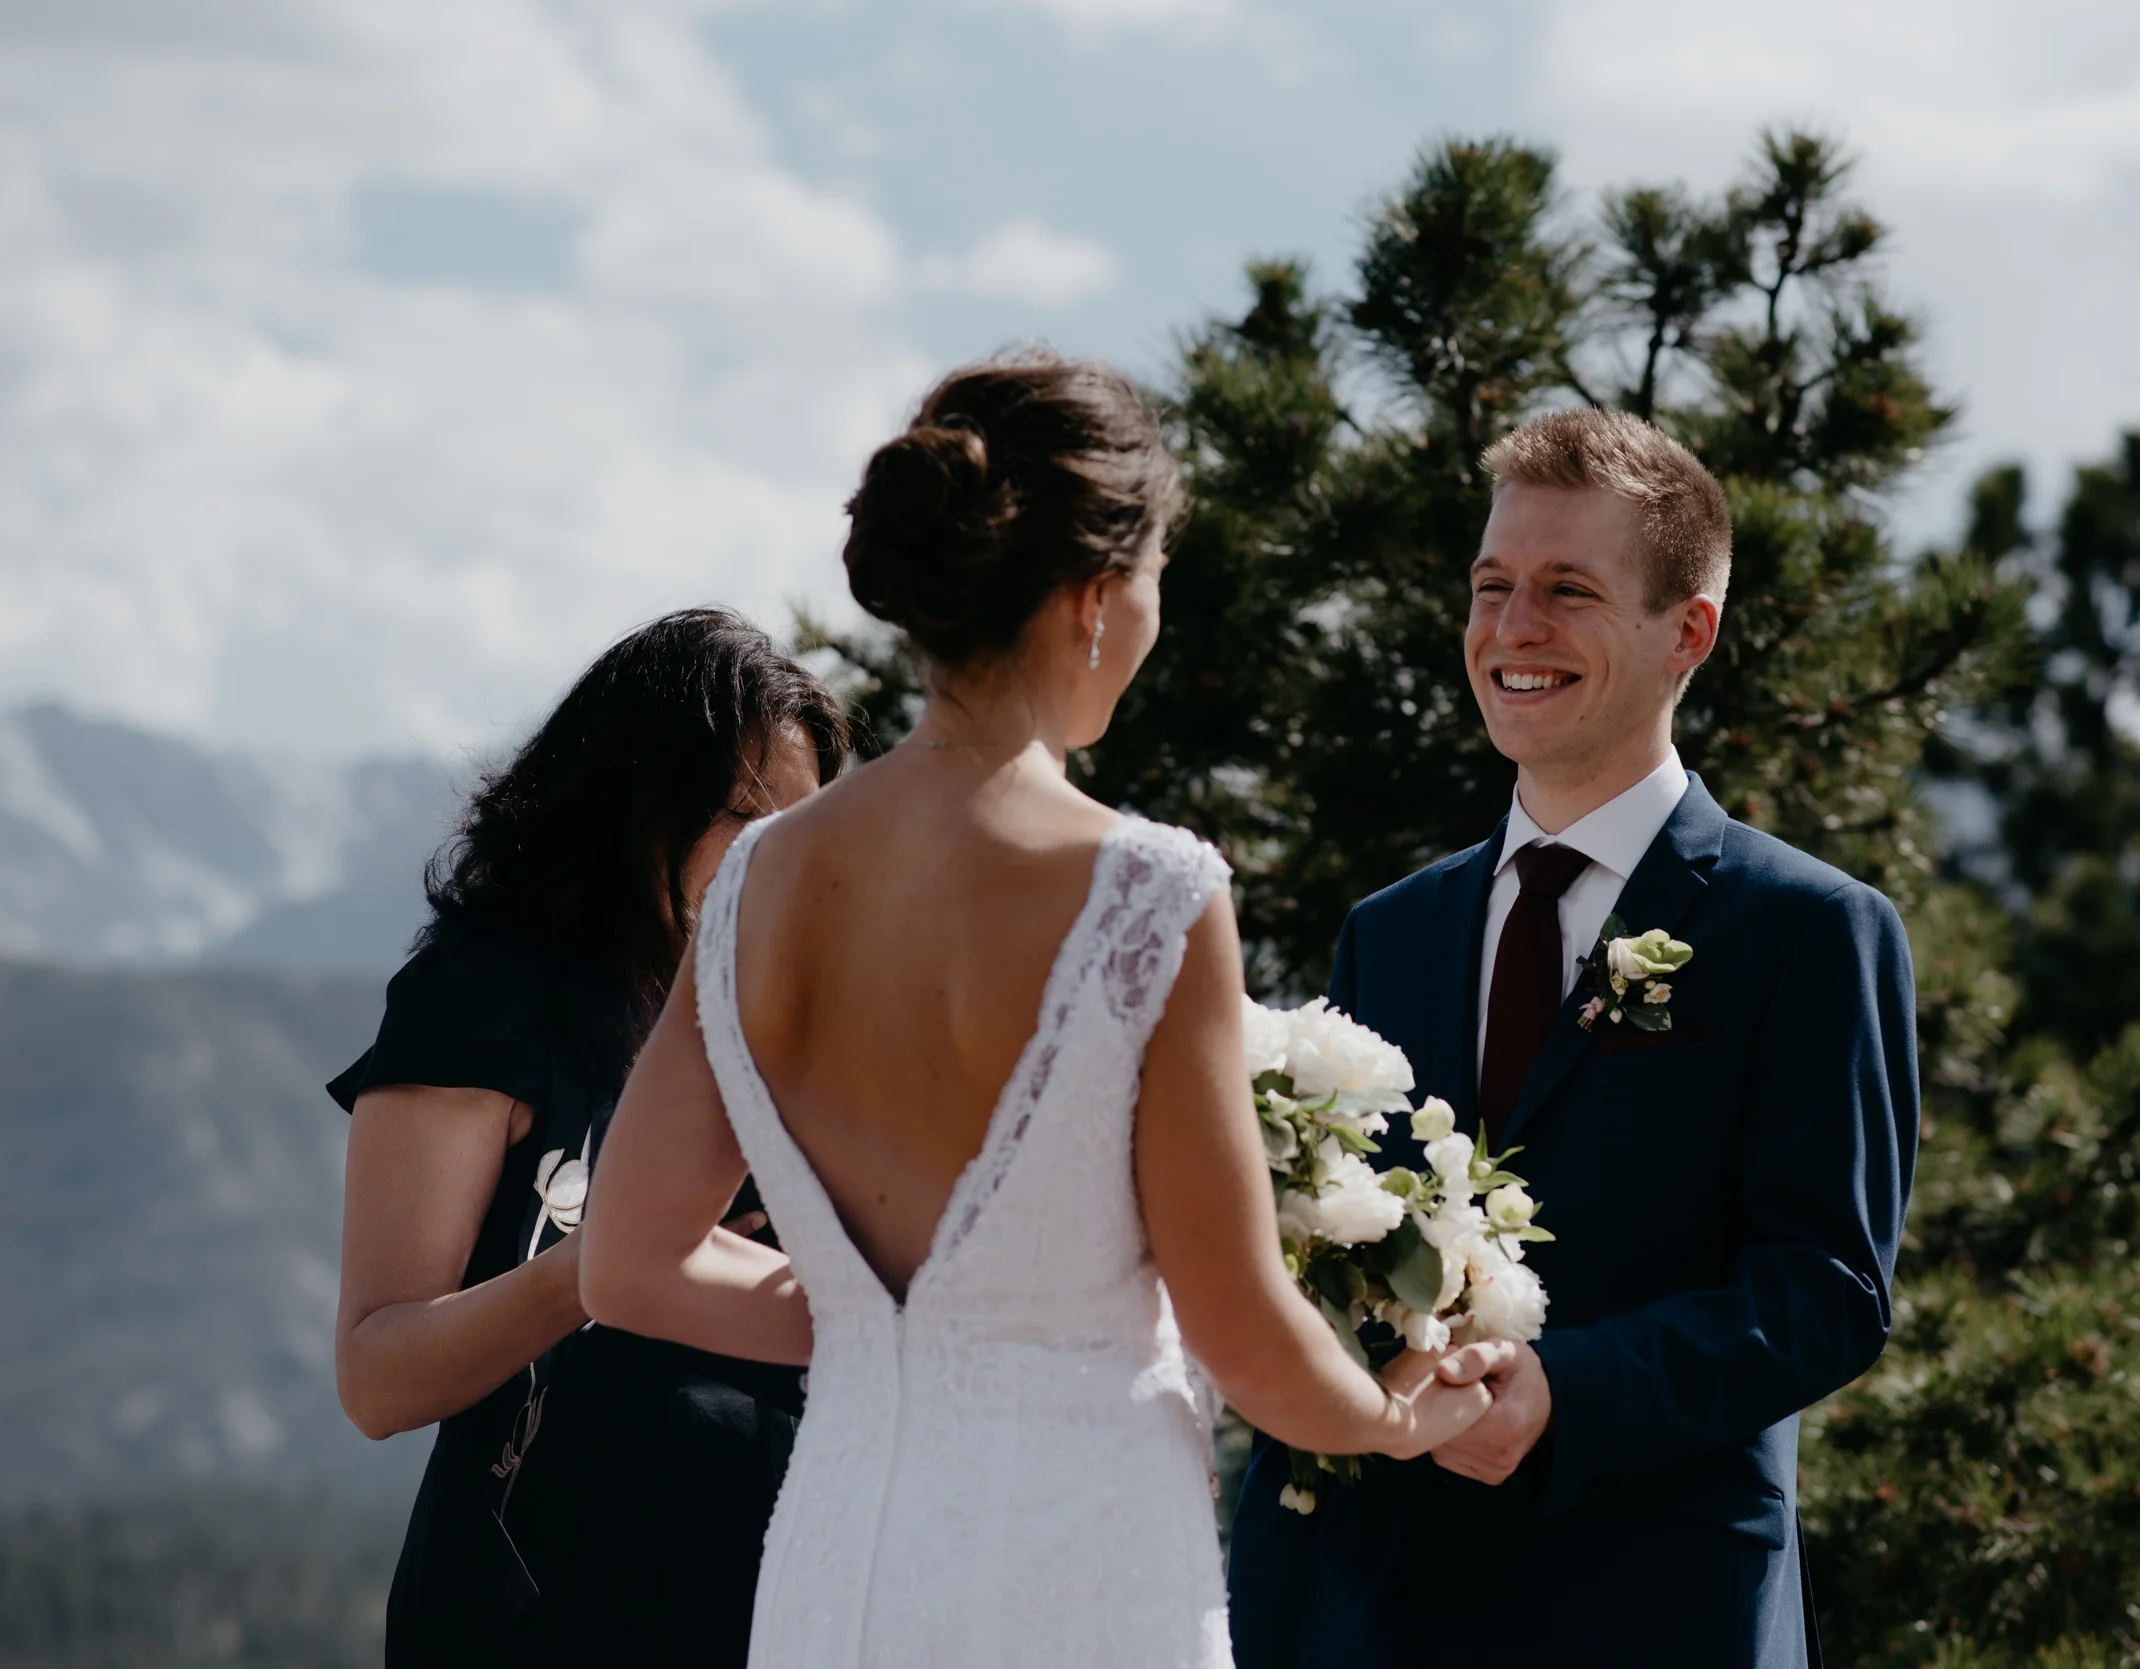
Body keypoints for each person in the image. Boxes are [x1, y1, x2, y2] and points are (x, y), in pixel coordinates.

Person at [578, 351, 1493, 1669]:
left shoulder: (755, 884)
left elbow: (625, 1264)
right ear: (1093, 597)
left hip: (835, 1567)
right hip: (1077, 1566)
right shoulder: (1145, 892)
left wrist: (886, 1335)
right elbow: (1241, 1333)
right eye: (1159, 575)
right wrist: (1395, 1416)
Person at [1224, 409, 1922, 1667]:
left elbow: (1826, 1290)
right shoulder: (1389, 931)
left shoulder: (1809, 929)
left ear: (1686, 632)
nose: (1512, 627)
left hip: (1654, 1605)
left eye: (1568, 590)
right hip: (1370, 1604)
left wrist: (1568, 1390)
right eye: (1491, 585)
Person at [330, 608, 844, 1668]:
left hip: (787, 1589)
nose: (773, 859)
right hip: (551, 1603)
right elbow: (378, 1377)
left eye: (800, 829)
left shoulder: (788, 1012)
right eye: (743, 814)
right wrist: (600, 1264)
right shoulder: (483, 994)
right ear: (637, 799)